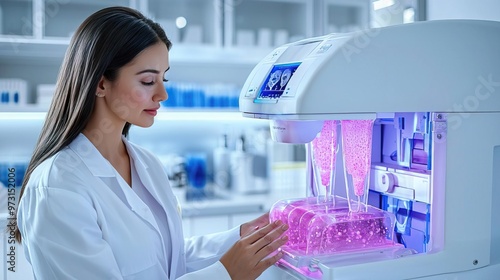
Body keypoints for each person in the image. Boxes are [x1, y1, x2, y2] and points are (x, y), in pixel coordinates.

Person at [14, 6, 288, 280]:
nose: (163, 94)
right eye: (148, 81)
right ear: (100, 84)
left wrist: (239, 239)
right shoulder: (57, 187)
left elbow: (166, 262)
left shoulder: (146, 164)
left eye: (163, 78)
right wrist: (225, 274)